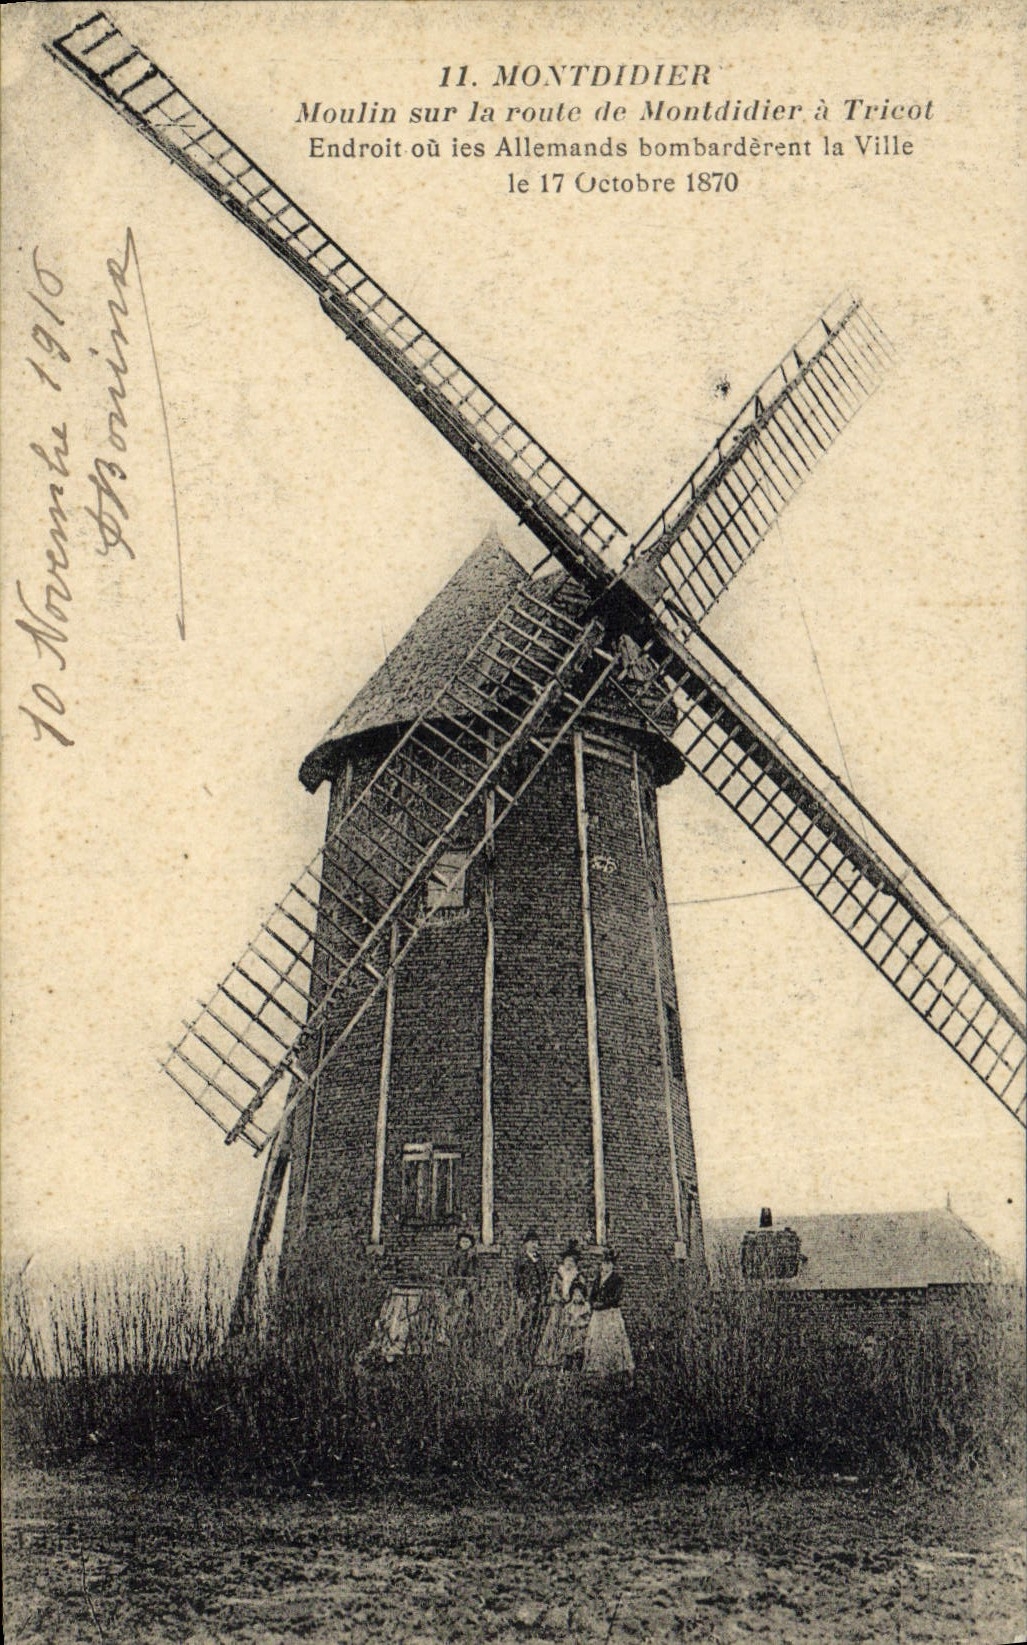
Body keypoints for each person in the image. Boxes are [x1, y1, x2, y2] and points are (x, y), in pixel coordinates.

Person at [582, 1250, 634, 1378]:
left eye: (609, 1263)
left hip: (610, 1313)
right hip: (598, 1314)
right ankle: (597, 1368)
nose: (606, 1266)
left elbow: (615, 1298)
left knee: (611, 1338)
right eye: (604, 1263)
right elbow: (592, 1294)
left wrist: (603, 1305)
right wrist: (593, 1303)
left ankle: (614, 1368)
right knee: (596, 1338)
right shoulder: (598, 1279)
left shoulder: (617, 1280)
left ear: (613, 1265)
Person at [535, 1240, 588, 1368]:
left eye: (571, 1261)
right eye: (567, 1261)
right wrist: (560, 1299)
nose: (569, 1264)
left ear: (575, 1263)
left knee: (570, 1332)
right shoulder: (558, 1275)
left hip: (571, 1308)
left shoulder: (579, 1277)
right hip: (559, 1308)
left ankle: (565, 1359)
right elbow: (552, 1293)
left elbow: (583, 1293)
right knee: (554, 1330)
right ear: (563, 1262)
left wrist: (573, 1300)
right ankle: (549, 1358)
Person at [513, 1226, 547, 1347]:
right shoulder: (521, 1261)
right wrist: (525, 1295)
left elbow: (544, 1278)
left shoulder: (540, 1261)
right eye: (532, 1242)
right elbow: (517, 1280)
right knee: (524, 1323)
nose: (535, 1245)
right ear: (526, 1244)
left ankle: (533, 1348)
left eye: (536, 1243)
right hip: (525, 1298)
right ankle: (521, 1349)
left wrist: (542, 1294)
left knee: (536, 1324)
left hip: (539, 1298)